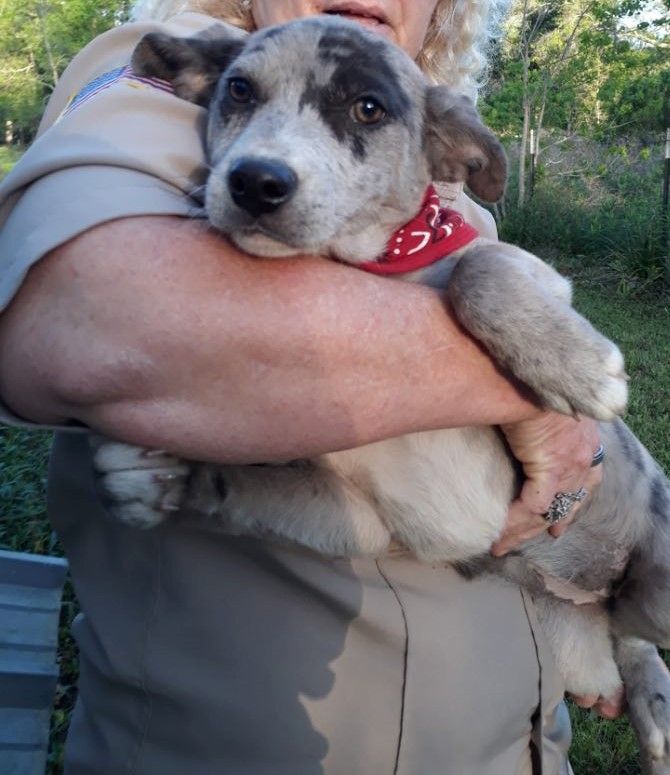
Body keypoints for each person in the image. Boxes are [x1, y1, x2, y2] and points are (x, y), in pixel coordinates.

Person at [0, 0, 608, 772]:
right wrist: (521, 382)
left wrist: (557, 493)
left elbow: (540, 467)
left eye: (362, 106)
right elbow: (89, 328)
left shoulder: (420, 144)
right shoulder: (178, 74)